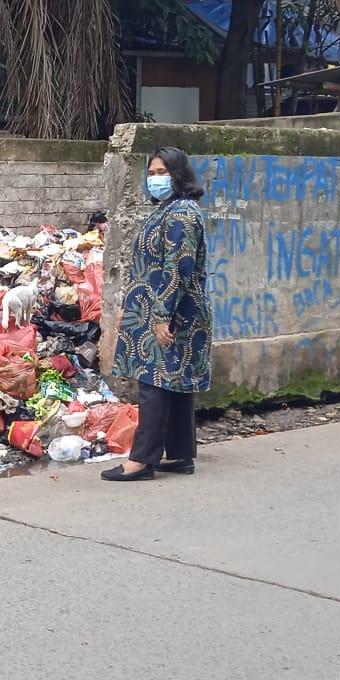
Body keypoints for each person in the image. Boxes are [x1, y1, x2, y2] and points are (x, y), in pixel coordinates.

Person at [101, 146, 212, 482]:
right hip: (157, 309)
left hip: (170, 310)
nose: (155, 179)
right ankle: (179, 454)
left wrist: (161, 315)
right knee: (173, 383)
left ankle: (142, 460)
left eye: (162, 172)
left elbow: (176, 267)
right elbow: (146, 267)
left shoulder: (180, 215)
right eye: (151, 173)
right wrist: (128, 308)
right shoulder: (169, 210)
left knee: (153, 382)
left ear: (179, 176)